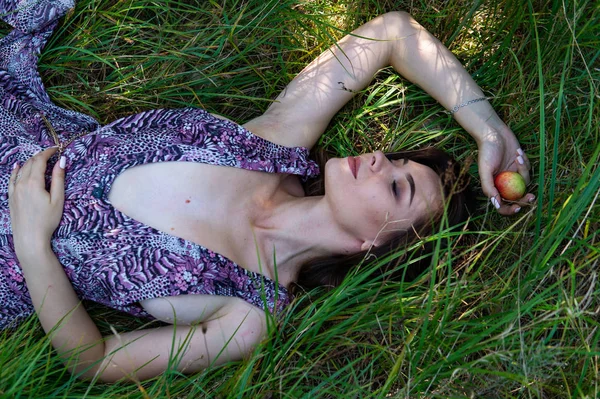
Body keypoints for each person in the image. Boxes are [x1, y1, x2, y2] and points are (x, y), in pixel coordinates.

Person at [1, 1, 533, 382]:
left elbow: (95, 361)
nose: (377, 160)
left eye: (395, 187)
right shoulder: (270, 145)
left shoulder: (249, 315)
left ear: (374, 246)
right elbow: (391, 33)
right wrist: (487, 129)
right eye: (395, 159)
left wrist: (32, 245)